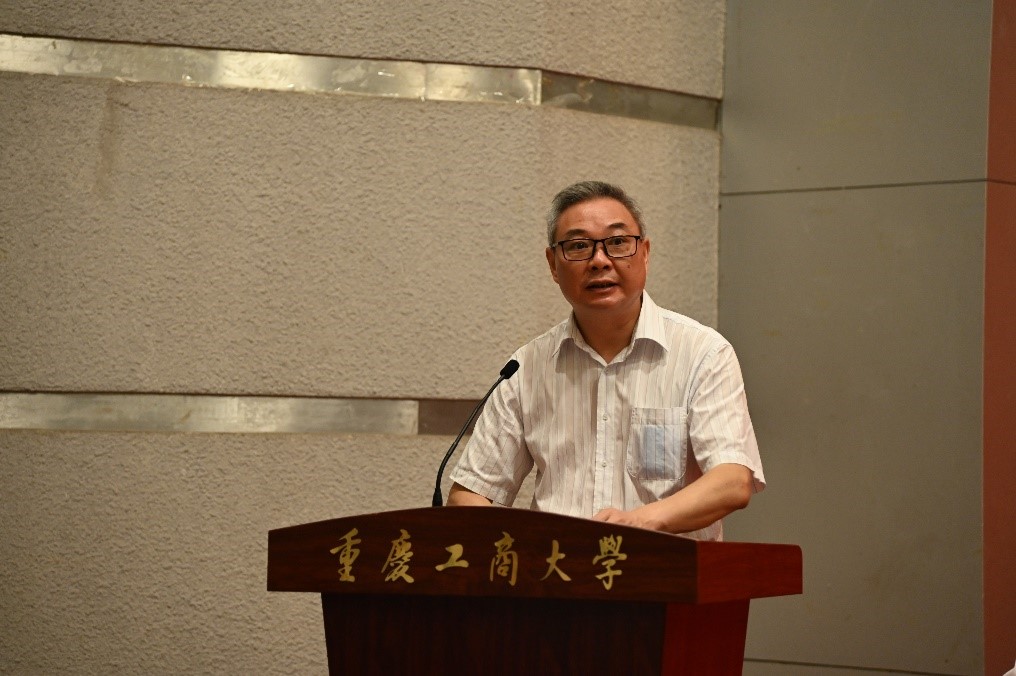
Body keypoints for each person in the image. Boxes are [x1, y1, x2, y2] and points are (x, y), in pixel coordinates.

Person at [447, 181, 764, 540]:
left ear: (645, 253)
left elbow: (732, 481)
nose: (600, 261)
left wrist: (640, 522)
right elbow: (469, 494)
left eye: (617, 242)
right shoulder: (526, 368)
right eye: (579, 246)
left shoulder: (703, 354)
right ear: (553, 265)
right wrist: (522, 546)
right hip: (557, 569)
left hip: (665, 568)